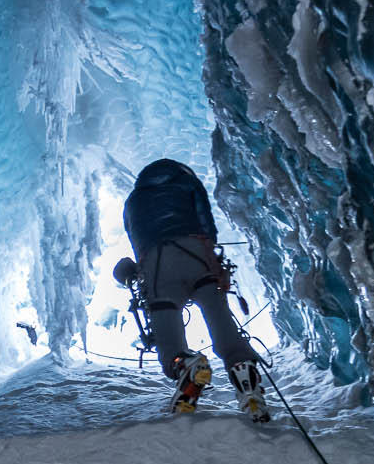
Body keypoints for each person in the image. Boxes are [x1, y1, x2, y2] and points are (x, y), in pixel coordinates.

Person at [113, 159, 270, 420]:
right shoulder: (186, 183)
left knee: (166, 331)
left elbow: (135, 241)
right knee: (220, 319)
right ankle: (245, 378)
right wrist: (212, 258)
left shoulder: (133, 201)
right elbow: (205, 222)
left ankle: (185, 364)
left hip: (156, 263)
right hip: (196, 254)